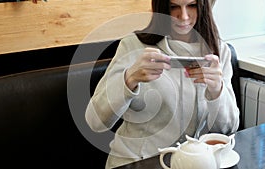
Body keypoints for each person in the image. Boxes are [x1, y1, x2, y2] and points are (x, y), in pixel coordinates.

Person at [85, 0, 239, 168]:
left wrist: (217, 90)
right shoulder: (133, 45)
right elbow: (95, 122)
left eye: (192, 5)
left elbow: (228, 129)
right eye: (173, 7)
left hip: (190, 162)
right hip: (136, 163)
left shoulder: (219, 51)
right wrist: (129, 79)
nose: (184, 16)